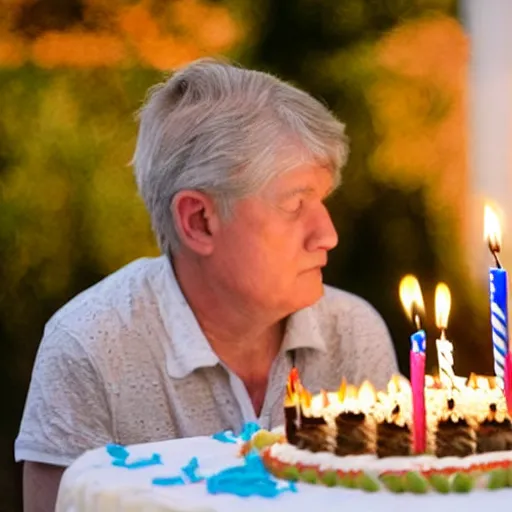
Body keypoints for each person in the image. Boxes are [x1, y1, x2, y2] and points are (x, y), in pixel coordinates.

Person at [15, 58, 398, 511]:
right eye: (295, 205)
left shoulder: (352, 333)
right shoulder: (91, 348)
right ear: (199, 221)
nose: (328, 234)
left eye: (323, 201)